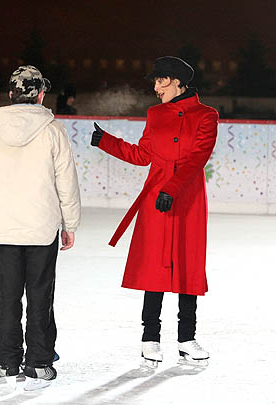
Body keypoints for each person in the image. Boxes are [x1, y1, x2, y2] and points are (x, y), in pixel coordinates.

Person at [90, 56, 218, 367]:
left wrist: (172, 188)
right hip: (156, 202)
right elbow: (143, 154)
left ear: (178, 82)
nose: (156, 86)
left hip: (186, 200)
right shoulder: (155, 114)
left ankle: (187, 338)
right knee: (154, 268)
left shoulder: (207, 116)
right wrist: (106, 142)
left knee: (187, 267)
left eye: (161, 80)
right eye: (155, 81)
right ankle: (150, 338)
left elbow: (198, 157)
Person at [0, 65, 81, 382]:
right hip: (41, 228)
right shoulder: (53, 131)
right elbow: (67, 183)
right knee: (40, 297)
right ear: (41, 94)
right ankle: (38, 361)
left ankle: (7, 361)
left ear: (10, 94)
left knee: (7, 298)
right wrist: (70, 223)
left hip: (5, 227)